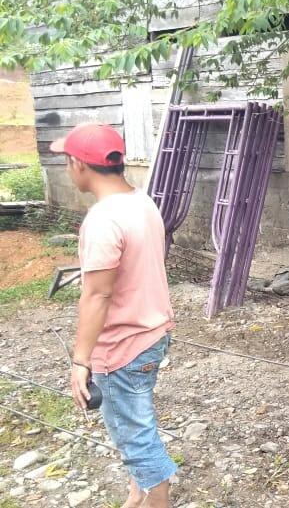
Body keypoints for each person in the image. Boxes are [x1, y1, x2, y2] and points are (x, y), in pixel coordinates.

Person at [53, 123, 177, 508]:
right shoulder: (141, 201)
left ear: (79, 165)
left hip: (123, 345)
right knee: (136, 416)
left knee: (134, 435)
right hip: (154, 331)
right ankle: (137, 495)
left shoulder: (103, 220)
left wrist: (80, 360)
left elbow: (97, 294)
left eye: (66, 161)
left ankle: (158, 501)